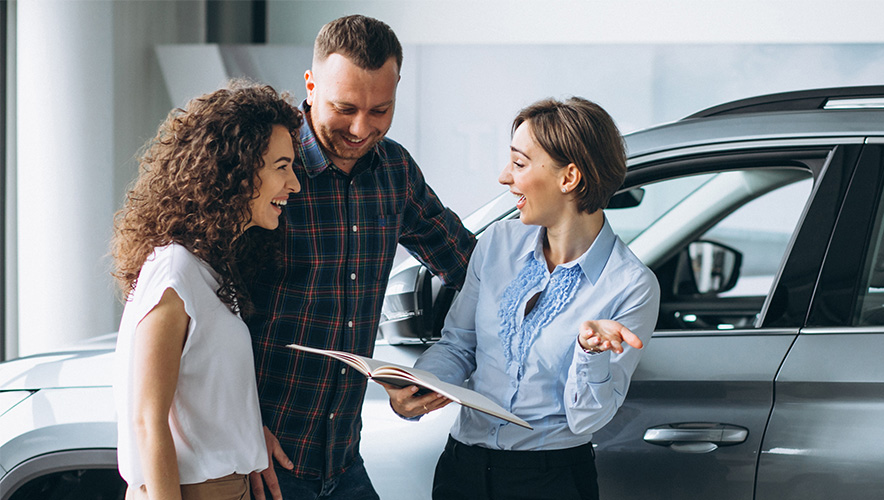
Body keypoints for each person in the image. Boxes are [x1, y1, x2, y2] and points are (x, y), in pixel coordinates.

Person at [243, 15, 476, 500]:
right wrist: (236, 425)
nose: (359, 128)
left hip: (343, 459)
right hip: (262, 462)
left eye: (380, 110)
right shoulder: (262, 167)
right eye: (344, 107)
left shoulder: (395, 171)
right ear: (309, 85)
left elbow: (471, 268)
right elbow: (201, 318)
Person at [383, 97, 660, 500]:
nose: (503, 177)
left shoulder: (632, 286)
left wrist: (590, 352)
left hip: (551, 481)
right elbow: (459, 344)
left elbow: (587, 420)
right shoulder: (496, 243)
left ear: (569, 178)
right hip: (462, 471)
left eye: (519, 163)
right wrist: (421, 387)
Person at [112, 81, 302, 500]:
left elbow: (201, 394)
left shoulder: (209, 269)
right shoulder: (175, 269)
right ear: (238, 168)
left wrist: (248, 433)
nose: (295, 184)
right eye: (281, 166)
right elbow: (148, 420)